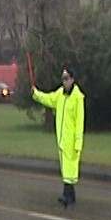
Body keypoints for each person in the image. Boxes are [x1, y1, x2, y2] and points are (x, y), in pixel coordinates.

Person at [31, 67, 85, 207]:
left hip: (71, 138)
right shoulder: (60, 94)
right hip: (62, 138)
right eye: (63, 79)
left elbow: (80, 122)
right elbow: (49, 98)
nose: (65, 82)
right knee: (66, 167)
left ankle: (67, 194)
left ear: (73, 79)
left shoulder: (77, 98)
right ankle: (70, 194)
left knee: (70, 168)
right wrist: (37, 94)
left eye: (67, 78)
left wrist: (78, 142)